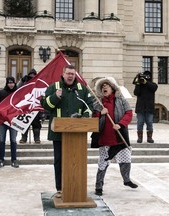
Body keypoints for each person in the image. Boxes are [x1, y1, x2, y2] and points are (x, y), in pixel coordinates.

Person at [41, 65, 93, 196]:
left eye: (73, 74)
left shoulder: (81, 89)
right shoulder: (54, 87)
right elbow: (45, 106)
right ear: (63, 74)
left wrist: (85, 117)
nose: (71, 76)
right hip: (58, 133)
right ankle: (60, 188)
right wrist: (55, 97)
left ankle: (76, 188)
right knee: (59, 161)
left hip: (78, 133)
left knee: (77, 161)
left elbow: (89, 106)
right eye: (68, 73)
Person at [93, 77, 138, 196]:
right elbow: (93, 118)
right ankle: (98, 186)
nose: (104, 88)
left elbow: (128, 112)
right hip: (104, 138)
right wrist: (100, 114)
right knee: (103, 163)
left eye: (106, 85)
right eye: (102, 86)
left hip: (119, 136)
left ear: (112, 88)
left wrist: (121, 124)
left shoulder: (120, 100)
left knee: (126, 159)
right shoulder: (98, 102)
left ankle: (126, 180)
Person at [0, 76, 19, 168]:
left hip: (13, 121)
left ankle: (14, 159)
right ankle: (1, 159)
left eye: (12, 83)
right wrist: (1, 108)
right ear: (7, 83)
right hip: (3, 121)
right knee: (2, 140)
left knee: (13, 140)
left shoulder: (18, 93)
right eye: (9, 83)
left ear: (14, 83)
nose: (11, 84)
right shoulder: (0, 93)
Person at [17, 68, 44, 144]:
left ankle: (37, 138)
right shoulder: (25, 82)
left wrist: (43, 113)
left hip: (35, 106)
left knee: (36, 125)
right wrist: (22, 81)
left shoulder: (39, 83)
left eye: (34, 75)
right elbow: (18, 89)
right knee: (24, 123)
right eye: (31, 75)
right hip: (26, 106)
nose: (32, 76)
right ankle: (24, 138)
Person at [133, 71, 158, 143]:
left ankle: (149, 138)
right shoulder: (140, 85)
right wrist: (138, 82)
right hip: (140, 108)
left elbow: (154, 88)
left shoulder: (153, 84)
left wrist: (146, 82)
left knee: (149, 122)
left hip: (149, 108)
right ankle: (140, 138)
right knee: (140, 122)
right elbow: (136, 93)